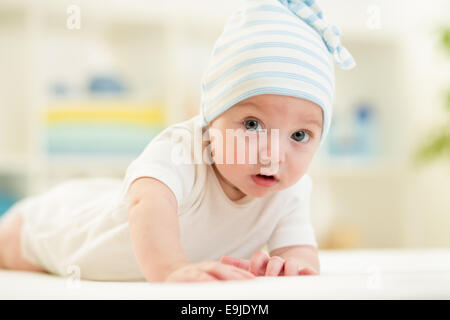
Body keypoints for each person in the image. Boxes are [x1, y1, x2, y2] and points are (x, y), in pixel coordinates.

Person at [0, 0, 355, 282]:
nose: (273, 154)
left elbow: (299, 250)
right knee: (17, 247)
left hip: (103, 212)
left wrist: (290, 266)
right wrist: (171, 267)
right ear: (211, 115)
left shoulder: (291, 191)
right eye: (252, 124)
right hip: (59, 232)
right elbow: (148, 206)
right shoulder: (183, 151)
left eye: (299, 135)